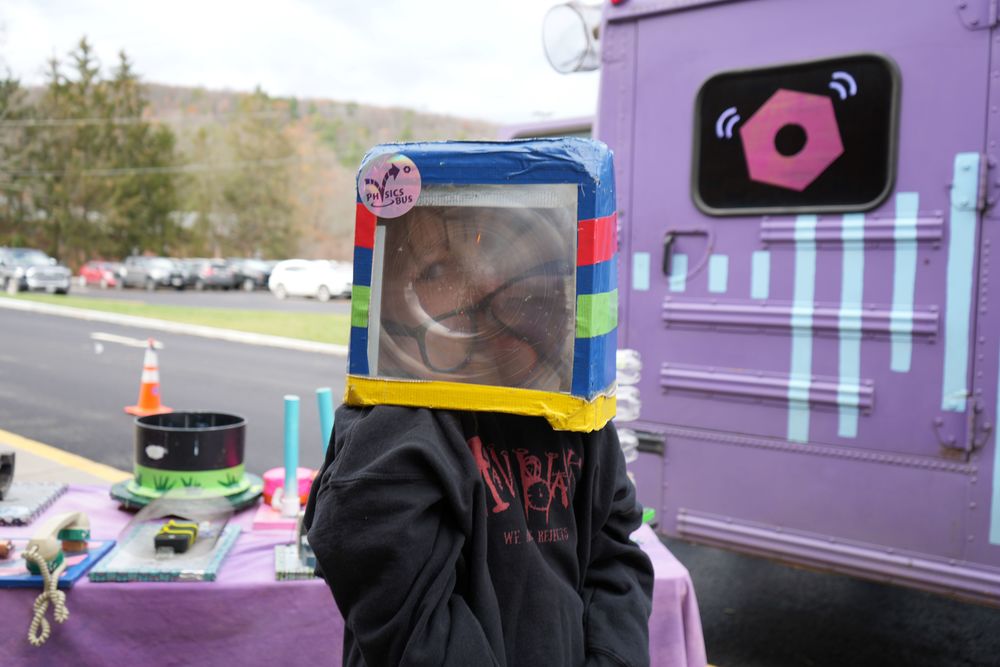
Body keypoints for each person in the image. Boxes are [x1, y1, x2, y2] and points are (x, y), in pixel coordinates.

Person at [304, 154, 653, 666]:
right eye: (440, 269)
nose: (483, 284)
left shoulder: (572, 415)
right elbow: (407, 617)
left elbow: (613, 550)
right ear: (397, 300)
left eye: (504, 258)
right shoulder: (393, 430)